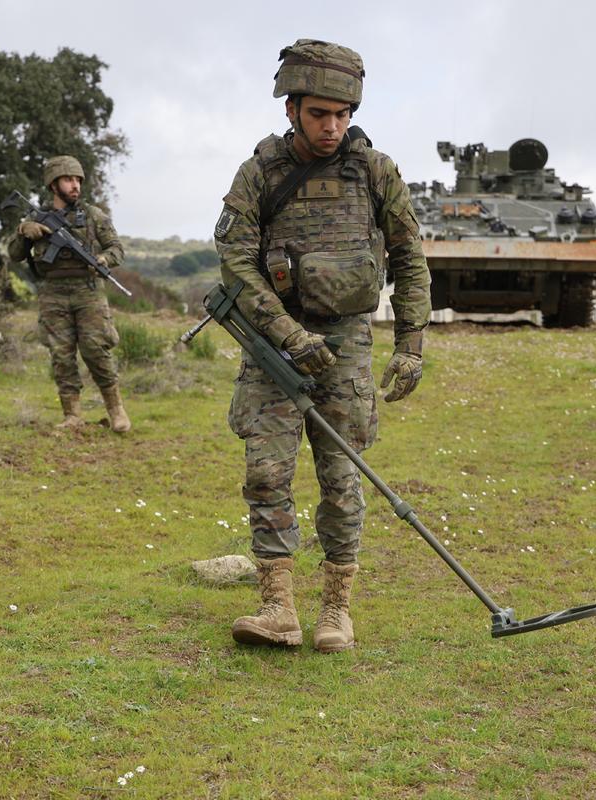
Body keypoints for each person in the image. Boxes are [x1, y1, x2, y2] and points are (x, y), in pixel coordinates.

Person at [214, 39, 431, 652]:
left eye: (342, 114)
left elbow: (411, 259)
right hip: (272, 344)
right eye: (318, 114)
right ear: (291, 109)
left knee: (343, 475)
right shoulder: (260, 174)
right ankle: (277, 606)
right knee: (266, 472)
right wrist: (286, 335)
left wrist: (410, 343)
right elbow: (235, 263)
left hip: (347, 344)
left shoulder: (375, 172)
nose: (332, 127)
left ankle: (337, 611)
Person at [8, 155, 131, 432]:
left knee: (96, 350)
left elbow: (117, 249)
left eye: (77, 180)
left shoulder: (93, 216)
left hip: (88, 292)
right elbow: (15, 255)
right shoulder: (34, 218)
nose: (75, 185)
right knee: (61, 355)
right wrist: (23, 232)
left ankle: (117, 411)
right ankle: (72, 416)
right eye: (68, 180)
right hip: (52, 293)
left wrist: (103, 260)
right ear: (53, 185)